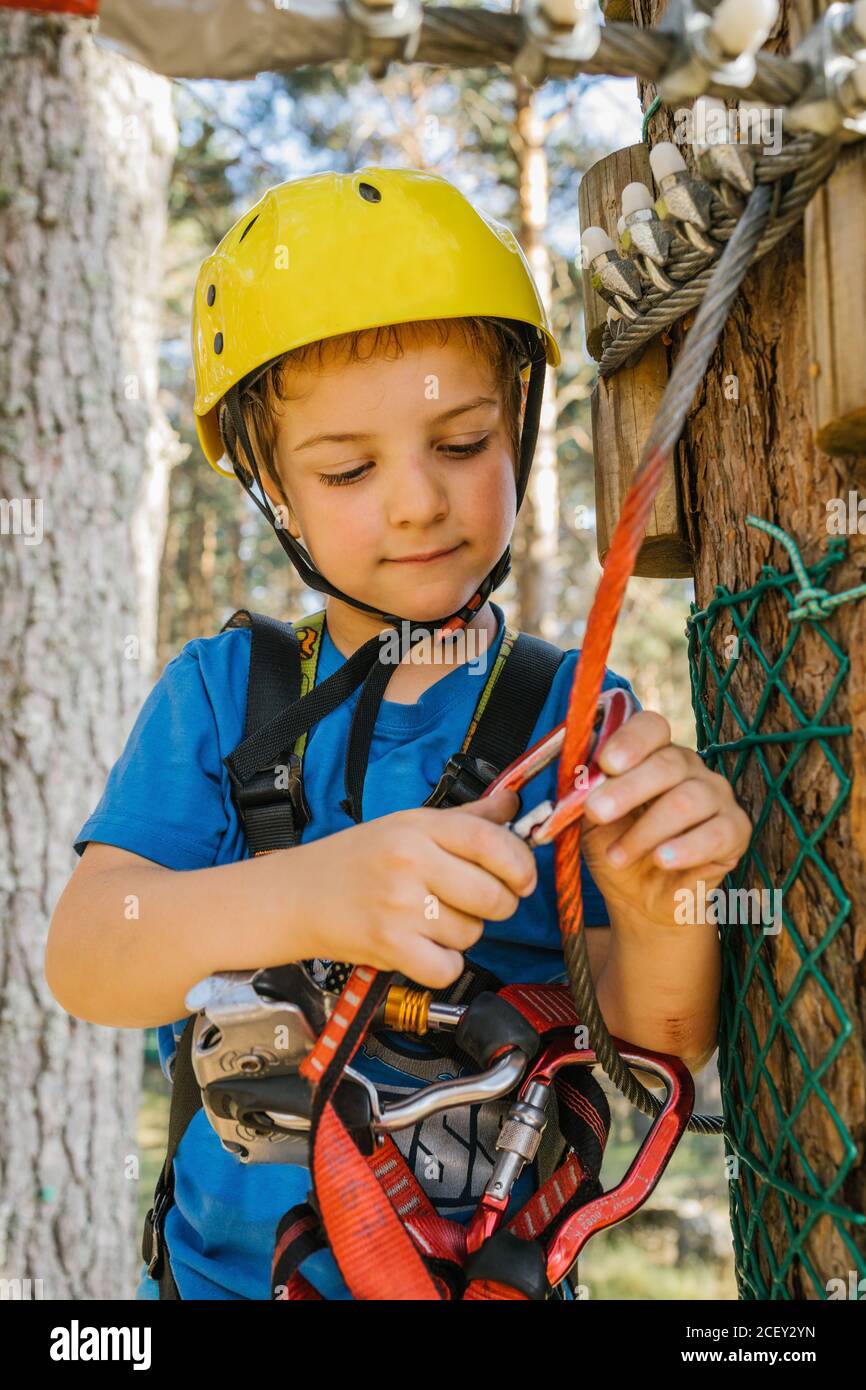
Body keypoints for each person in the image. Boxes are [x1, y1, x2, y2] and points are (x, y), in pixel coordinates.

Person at [45, 166, 751, 1301]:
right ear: (272, 484)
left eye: (462, 442)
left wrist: (665, 906)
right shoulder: (229, 696)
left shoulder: (577, 718)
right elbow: (89, 952)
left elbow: (653, 1040)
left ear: (517, 424)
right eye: (348, 468)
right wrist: (313, 893)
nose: (417, 501)